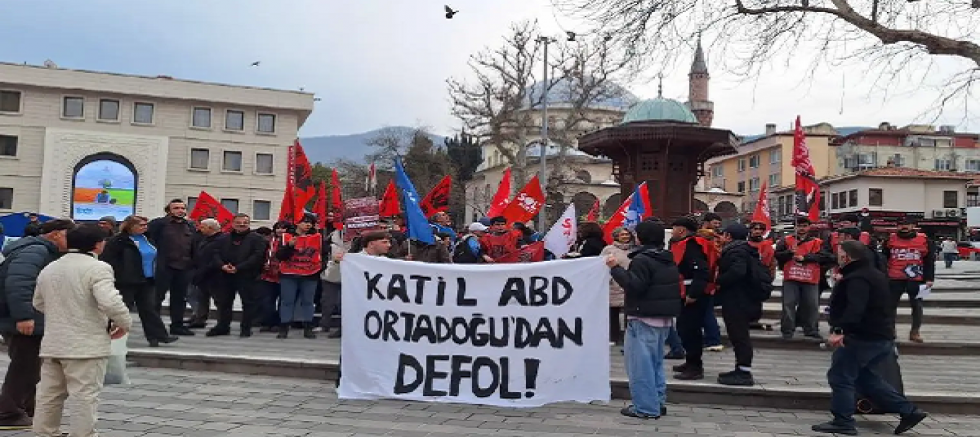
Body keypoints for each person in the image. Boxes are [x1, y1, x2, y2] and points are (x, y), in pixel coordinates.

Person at [811, 241, 927, 436]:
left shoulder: (857, 278)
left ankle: (843, 421)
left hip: (862, 337)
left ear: (847, 256)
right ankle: (909, 411)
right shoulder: (874, 274)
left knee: (841, 376)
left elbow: (856, 308)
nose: (837, 256)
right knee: (866, 379)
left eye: (839, 253)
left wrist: (840, 330)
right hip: (880, 335)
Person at [31, 224, 133, 437]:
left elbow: (39, 303)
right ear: (97, 245)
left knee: (49, 395)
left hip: (54, 342)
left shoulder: (51, 267)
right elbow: (110, 301)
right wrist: (124, 322)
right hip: (86, 344)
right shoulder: (98, 268)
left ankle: (44, 432)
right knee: (84, 396)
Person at [0, 219, 73, 430]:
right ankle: (8, 413)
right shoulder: (35, 252)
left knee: (30, 366)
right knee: (24, 366)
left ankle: (24, 408)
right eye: (69, 236)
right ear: (56, 234)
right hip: (23, 318)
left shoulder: (40, 250)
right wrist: (23, 316)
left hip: (29, 316)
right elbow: (19, 282)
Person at [606, 221, 680, 419]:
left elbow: (634, 286)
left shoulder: (642, 260)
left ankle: (645, 407)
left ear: (640, 237)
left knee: (640, 367)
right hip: (662, 318)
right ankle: (657, 401)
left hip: (643, 317)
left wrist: (616, 269)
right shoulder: (666, 258)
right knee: (655, 365)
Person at [100, 215, 177, 347]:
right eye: (141, 225)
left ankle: (158, 336)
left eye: (145, 225)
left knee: (149, 309)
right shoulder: (118, 241)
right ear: (131, 226)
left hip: (147, 280)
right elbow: (108, 260)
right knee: (122, 309)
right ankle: (110, 335)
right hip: (126, 281)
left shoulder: (148, 239)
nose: (144, 228)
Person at [714, 223, 762, 386]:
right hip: (742, 298)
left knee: (740, 336)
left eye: (723, 235)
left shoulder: (737, 251)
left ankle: (744, 372)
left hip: (738, 300)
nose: (720, 238)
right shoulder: (745, 249)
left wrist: (719, 280)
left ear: (728, 236)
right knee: (738, 335)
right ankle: (740, 368)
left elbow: (737, 271)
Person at [209, 214, 267, 337]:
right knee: (224, 302)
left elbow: (257, 256)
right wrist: (222, 265)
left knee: (248, 302)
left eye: (244, 222)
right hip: (225, 274)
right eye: (238, 222)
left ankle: (246, 328)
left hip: (247, 275)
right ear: (233, 223)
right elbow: (215, 253)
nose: (241, 224)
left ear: (249, 224)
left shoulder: (257, 238)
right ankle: (223, 326)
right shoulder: (222, 238)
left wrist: (238, 268)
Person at [668, 217, 711, 381]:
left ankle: (695, 367)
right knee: (683, 328)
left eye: (674, 228)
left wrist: (693, 294)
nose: (672, 232)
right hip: (683, 291)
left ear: (682, 230)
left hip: (692, 293)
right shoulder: (681, 244)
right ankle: (690, 361)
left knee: (691, 330)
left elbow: (701, 271)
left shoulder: (693, 245)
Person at [775, 217, 832, 340]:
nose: (801, 228)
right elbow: (778, 256)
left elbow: (826, 256)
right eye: (799, 226)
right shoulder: (786, 240)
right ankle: (787, 330)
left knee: (811, 304)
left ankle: (811, 329)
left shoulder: (818, 242)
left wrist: (805, 258)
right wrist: (789, 253)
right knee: (788, 304)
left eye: (804, 226)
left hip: (811, 278)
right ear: (795, 227)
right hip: (791, 277)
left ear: (809, 227)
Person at [146, 199, 196, 336]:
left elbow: (193, 246)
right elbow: (148, 241)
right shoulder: (159, 224)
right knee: (157, 298)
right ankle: (154, 328)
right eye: (176, 208)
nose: (180, 211)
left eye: (182, 208)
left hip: (184, 268)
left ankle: (177, 325)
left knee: (180, 298)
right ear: (169, 210)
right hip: (163, 267)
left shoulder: (190, 226)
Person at [880, 218, 933, 344]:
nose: (904, 227)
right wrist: (882, 275)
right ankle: (890, 330)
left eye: (907, 224)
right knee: (890, 306)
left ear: (912, 225)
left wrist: (929, 279)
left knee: (917, 306)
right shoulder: (890, 240)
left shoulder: (925, 240)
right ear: (897, 226)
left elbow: (929, 260)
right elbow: (883, 258)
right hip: (894, 278)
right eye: (901, 225)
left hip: (918, 279)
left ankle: (915, 331)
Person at [276, 213, 323, 339]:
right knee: (287, 301)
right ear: (297, 222)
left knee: (308, 301)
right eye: (305, 221)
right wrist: (289, 246)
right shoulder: (286, 237)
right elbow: (280, 256)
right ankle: (284, 327)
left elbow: (322, 253)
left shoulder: (317, 237)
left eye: (310, 222)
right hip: (289, 274)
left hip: (310, 274)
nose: (308, 225)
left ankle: (308, 327)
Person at [600, 228, 636, 346]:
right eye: (622, 234)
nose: (625, 236)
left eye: (627, 234)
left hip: (629, 282)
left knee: (629, 312)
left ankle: (628, 337)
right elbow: (602, 264)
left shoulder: (635, 249)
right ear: (616, 236)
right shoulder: (609, 249)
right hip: (614, 283)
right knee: (613, 313)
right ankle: (613, 337)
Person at [694, 213, 723, 353]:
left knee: (706, 311)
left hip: (707, 281)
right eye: (715, 223)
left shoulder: (712, 243)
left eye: (718, 224)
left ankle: (713, 339)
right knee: (705, 311)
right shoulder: (715, 241)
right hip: (709, 280)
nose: (717, 226)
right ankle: (710, 338)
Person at [187, 219, 223, 328]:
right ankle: (200, 319)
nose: (199, 229)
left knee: (219, 300)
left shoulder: (221, 240)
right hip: (202, 274)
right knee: (202, 298)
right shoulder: (205, 239)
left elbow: (216, 257)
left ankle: (222, 322)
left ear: (210, 228)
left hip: (215, 275)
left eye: (202, 227)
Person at [259, 221, 291, 332]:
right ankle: (267, 322)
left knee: (283, 301)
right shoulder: (268, 241)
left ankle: (280, 323)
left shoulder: (291, 241)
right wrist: (263, 264)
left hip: (285, 275)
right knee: (267, 300)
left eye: (284, 228)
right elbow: (260, 254)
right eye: (278, 228)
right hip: (268, 275)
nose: (280, 230)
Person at [747, 221, 776, 331]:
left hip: (761, 276)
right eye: (755, 229)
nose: (757, 231)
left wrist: (770, 276)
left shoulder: (767, 245)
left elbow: (772, 262)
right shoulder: (745, 244)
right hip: (747, 276)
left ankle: (755, 320)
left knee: (757, 301)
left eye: (760, 229)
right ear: (751, 230)